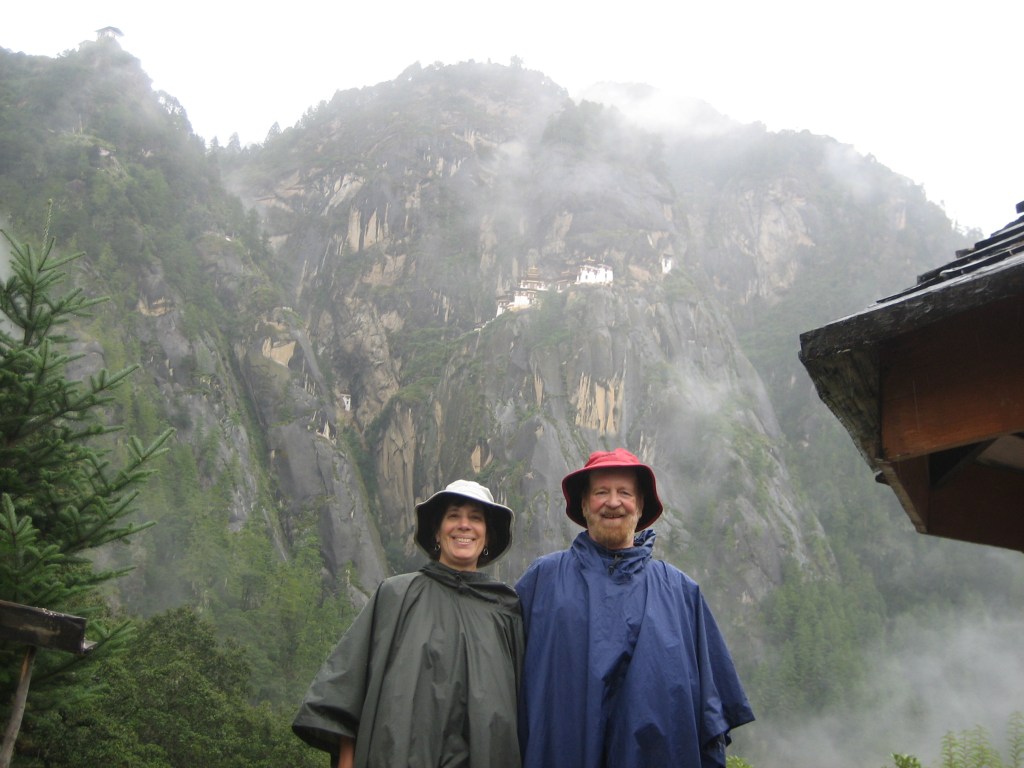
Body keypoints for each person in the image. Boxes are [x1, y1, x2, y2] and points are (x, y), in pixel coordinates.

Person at [516, 448, 755, 768]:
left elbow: (711, 716)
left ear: (640, 506)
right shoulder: (542, 582)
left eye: (625, 493)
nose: (613, 502)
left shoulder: (681, 593)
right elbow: (498, 681)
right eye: (601, 492)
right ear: (584, 504)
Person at [292, 479, 523, 768]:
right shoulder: (396, 596)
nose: (464, 525)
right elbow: (346, 695)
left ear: (487, 536)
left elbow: (526, 710)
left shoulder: (505, 612)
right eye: (453, 516)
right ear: (437, 532)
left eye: (475, 518)